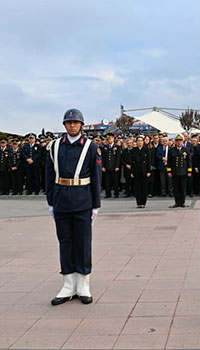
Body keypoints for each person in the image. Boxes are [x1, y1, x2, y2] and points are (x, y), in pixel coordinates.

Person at [46, 108, 101, 305]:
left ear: (81, 125)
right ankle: (68, 285)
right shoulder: (54, 147)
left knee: (83, 243)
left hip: (82, 201)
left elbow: (96, 177)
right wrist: (50, 202)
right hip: (61, 200)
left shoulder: (90, 147)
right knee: (65, 242)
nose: (72, 125)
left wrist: (95, 206)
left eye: (75, 123)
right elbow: (49, 176)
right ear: (64, 125)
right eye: (69, 123)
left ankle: (83, 285)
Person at [167, 135, 192, 208]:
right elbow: (169, 161)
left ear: (182, 141)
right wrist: (169, 171)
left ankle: (182, 202)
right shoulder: (172, 150)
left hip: (183, 172)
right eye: (177, 141)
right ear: (175, 142)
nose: (179, 142)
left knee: (183, 188)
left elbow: (189, 161)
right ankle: (177, 202)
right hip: (175, 171)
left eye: (180, 141)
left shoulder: (186, 150)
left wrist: (189, 171)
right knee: (176, 188)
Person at [130, 136, 153, 208]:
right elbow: (131, 162)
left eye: (141, 141)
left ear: (143, 142)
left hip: (144, 171)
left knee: (144, 187)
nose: (140, 142)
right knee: (137, 188)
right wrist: (131, 172)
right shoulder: (133, 150)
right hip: (136, 171)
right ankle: (138, 202)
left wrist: (148, 171)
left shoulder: (146, 150)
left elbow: (149, 161)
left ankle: (143, 202)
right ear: (136, 142)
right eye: (138, 141)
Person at [101, 133, 121, 198]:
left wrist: (117, 166)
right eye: (108, 139)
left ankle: (116, 193)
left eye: (110, 138)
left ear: (113, 139)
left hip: (114, 166)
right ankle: (108, 194)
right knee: (107, 182)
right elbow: (103, 158)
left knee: (115, 181)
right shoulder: (105, 147)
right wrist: (103, 166)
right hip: (107, 166)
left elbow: (118, 157)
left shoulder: (117, 147)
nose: (109, 140)